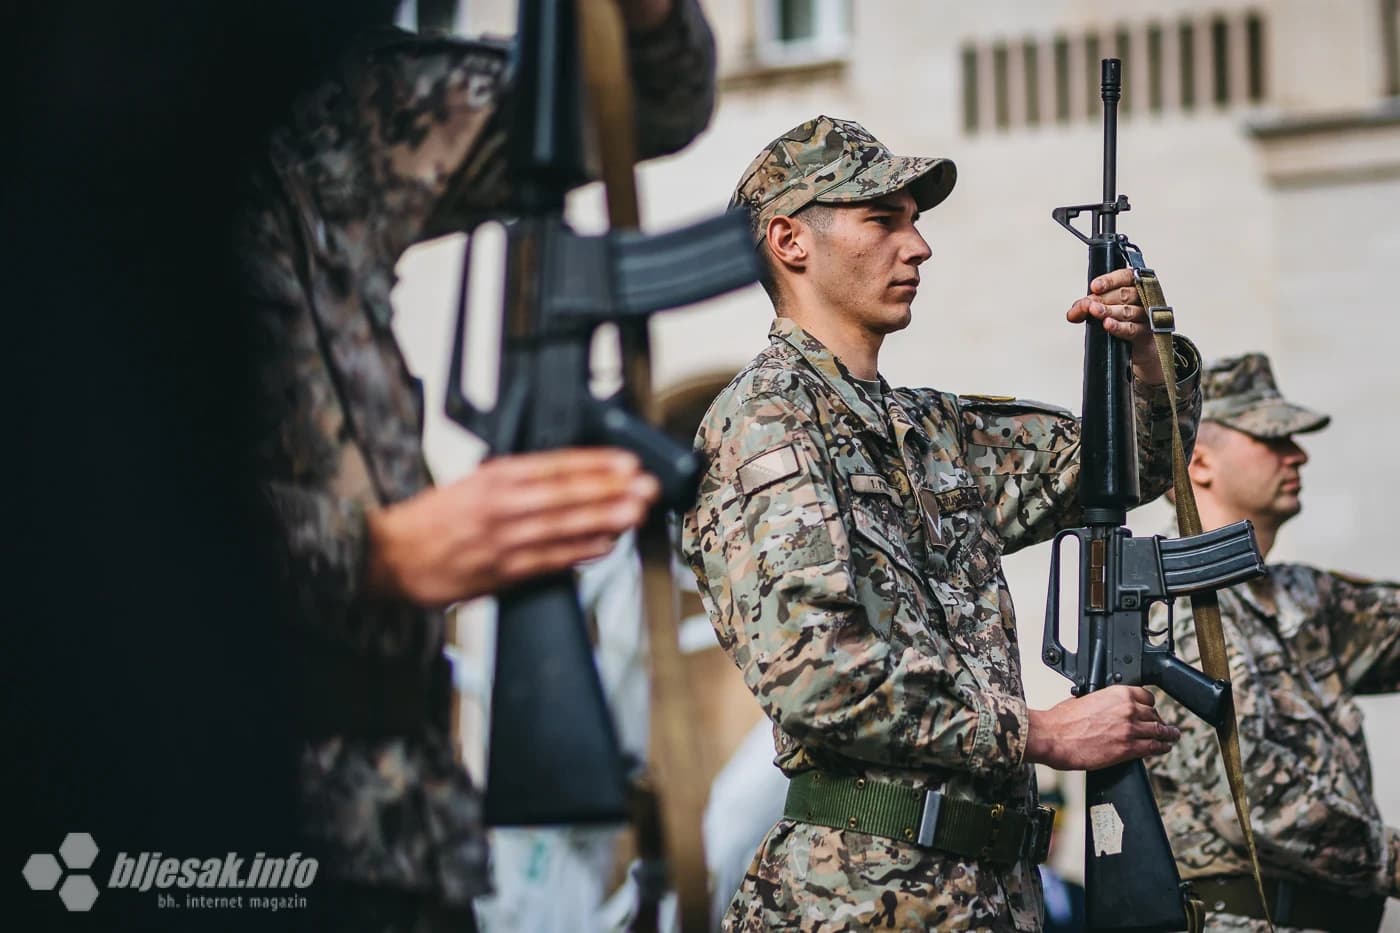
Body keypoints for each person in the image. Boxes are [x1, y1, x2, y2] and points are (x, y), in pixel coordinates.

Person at [235, 1, 717, 928]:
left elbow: (645, 98)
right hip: (205, 784)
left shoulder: (318, 113)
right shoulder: (70, 139)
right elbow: (75, 484)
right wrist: (367, 552)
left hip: (399, 820)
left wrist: (645, 13)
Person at [680, 114, 1205, 930]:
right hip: (858, 896)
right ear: (790, 241)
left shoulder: (931, 432)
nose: (918, 245)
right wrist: (1039, 733)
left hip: (988, 893)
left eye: (916, 221)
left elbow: (1125, 468)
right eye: (882, 219)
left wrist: (1144, 352)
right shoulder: (766, 426)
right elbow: (819, 675)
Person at [1145, 353, 1400, 933]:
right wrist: (1390, 859)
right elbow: (1253, 798)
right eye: (1272, 438)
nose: (1298, 455)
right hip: (1244, 918)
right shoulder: (1165, 599)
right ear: (1200, 462)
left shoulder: (1302, 597)